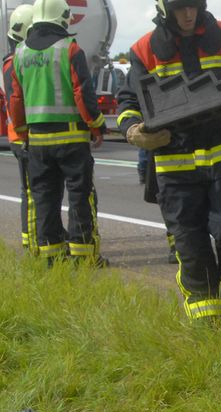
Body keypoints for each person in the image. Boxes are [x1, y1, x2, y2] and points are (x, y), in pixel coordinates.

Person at [115, 0, 221, 320]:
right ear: (164, 9)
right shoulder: (144, 49)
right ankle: (207, 326)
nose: (188, 15)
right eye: (180, 9)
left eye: (193, 6)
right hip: (175, 162)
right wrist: (132, 130)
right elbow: (130, 100)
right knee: (191, 246)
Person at [7, 0, 106, 265]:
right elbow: (82, 93)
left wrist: (22, 132)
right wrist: (97, 126)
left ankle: (52, 257)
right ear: (64, 19)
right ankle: (84, 257)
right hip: (72, 138)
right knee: (80, 197)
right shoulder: (70, 49)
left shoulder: (20, 53)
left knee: (45, 200)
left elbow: (15, 100)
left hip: (37, 141)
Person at [2, 4, 34, 251]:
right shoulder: (15, 63)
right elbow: (15, 103)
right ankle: (30, 235)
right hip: (23, 138)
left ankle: (33, 234)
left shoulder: (11, 62)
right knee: (32, 192)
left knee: (33, 191)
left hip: (19, 136)